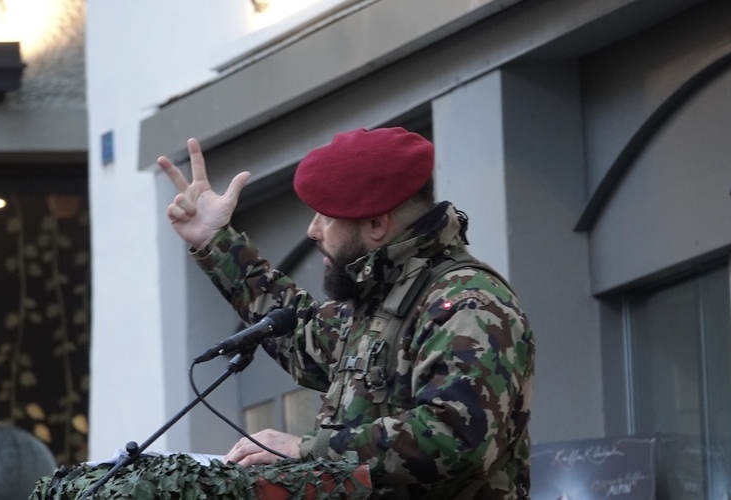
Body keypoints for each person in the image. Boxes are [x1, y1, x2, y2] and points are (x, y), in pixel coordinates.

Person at [158, 127, 535, 499]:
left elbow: (455, 437)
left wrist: (306, 449)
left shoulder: (468, 302)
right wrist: (214, 240)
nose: (312, 230)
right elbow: (298, 334)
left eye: (325, 216)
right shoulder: (379, 303)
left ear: (376, 224)